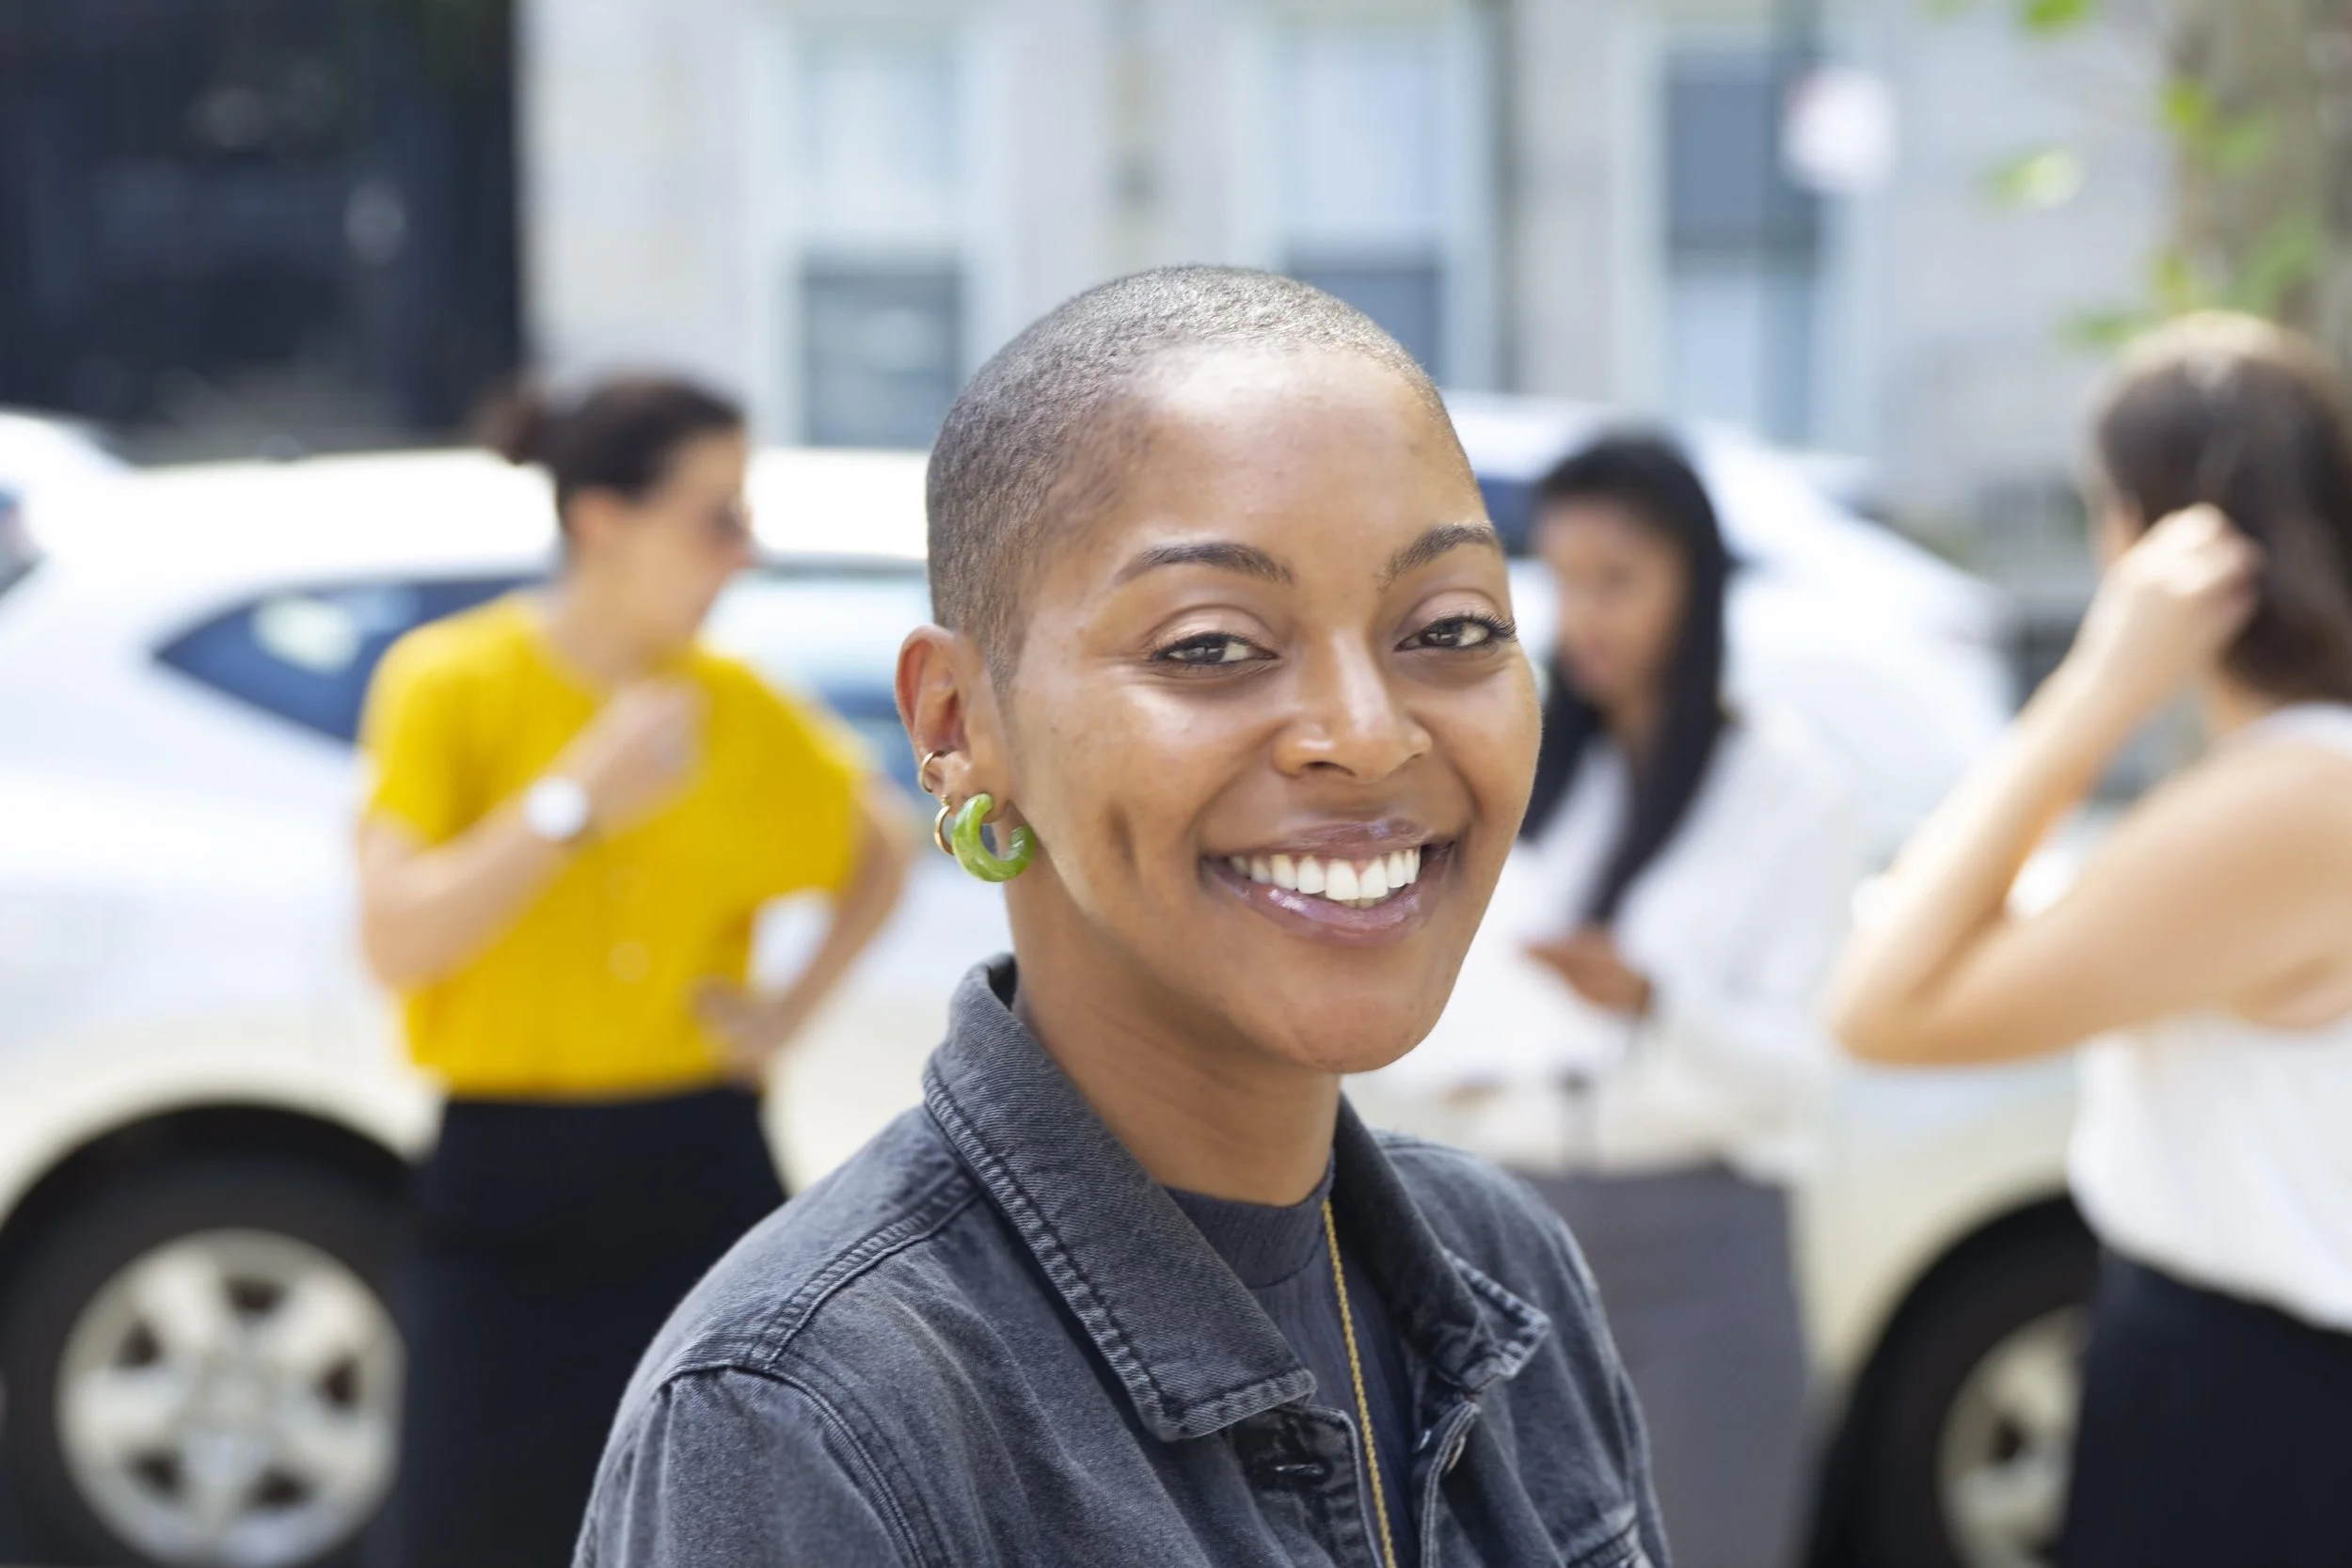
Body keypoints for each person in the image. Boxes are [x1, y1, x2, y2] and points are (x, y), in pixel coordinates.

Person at [575, 267, 1667, 1568]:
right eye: (1211, 644)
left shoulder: (1504, 1271)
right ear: (958, 724)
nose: (1368, 736)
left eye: (1451, 625)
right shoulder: (809, 1414)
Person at [354, 374, 910, 1568]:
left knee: (731, 1529)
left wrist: (783, 1014)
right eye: (716, 518)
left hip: (696, 1175)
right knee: (470, 1528)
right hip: (500, 1185)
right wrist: (572, 803)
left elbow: (881, 848)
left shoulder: (743, 708)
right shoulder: (449, 684)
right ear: (602, 520)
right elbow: (397, 938)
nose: (742, 554)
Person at [1828, 312, 2352, 1568]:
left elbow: (1882, 1005)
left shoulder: (2295, 799)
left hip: (2260, 1403)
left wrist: (2099, 686)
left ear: (2146, 533)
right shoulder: (2291, 786)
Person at [1378, 435, 1866, 1568]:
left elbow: (1796, 1075)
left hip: (1702, 1239)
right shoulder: (1530, 764)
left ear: (1695, 582)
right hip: (1506, 1229)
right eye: (1560, 573)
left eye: (1618, 578)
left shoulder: (1790, 787)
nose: (1581, 613)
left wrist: (1649, 1004)